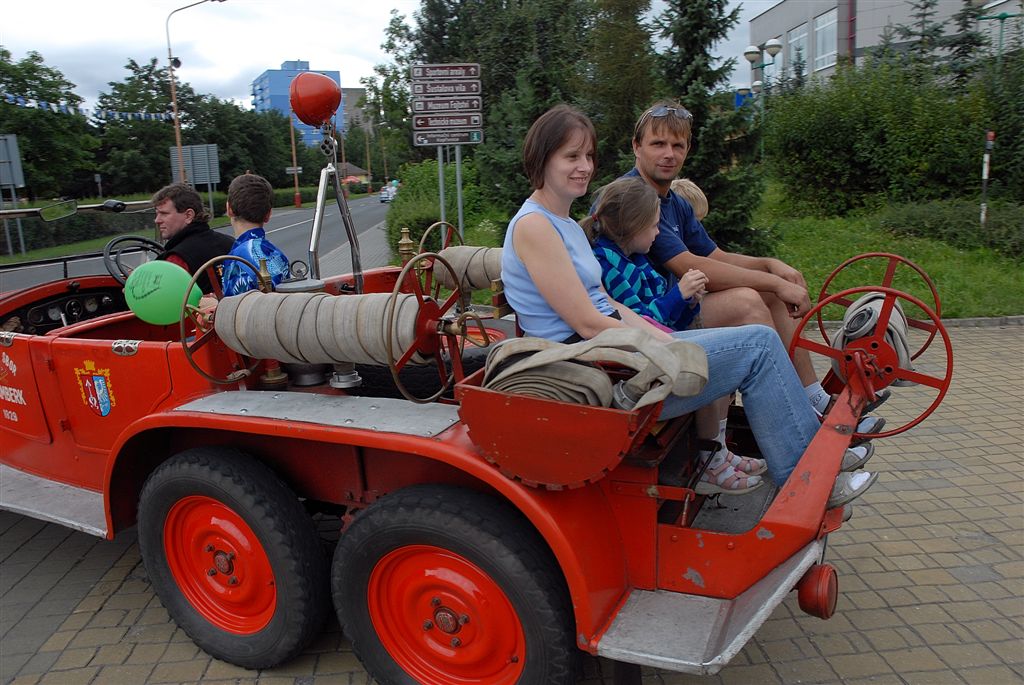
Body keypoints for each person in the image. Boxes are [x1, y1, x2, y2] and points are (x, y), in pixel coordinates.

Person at [501, 104, 876, 508]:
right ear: (543, 158)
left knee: (756, 339)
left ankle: (805, 459)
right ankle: (811, 483)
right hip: (597, 370)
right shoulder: (534, 226)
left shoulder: (565, 224)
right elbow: (587, 323)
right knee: (759, 346)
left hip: (616, 353)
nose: (585, 167)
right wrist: (665, 347)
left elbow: (606, 302)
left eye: (589, 155)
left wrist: (666, 337)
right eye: (571, 156)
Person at [621, 101, 889, 421]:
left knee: (770, 293)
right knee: (747, 302)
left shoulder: (674, 202)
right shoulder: (635, 198)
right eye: (658, 144)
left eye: (677, 145)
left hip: (674, 307)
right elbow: (691, 265)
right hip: (648, 319)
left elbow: (715, 256)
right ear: (637, 146)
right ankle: (793, 417)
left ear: (688, 149)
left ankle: (813, 398)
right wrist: (772, 281)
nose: (669, 154)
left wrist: (771, 266)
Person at [151, 183, 234, 293]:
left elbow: (162, 297)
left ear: (188, 215)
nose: (157, 220)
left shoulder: (177, 260)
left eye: (164, 213)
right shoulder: (232, 244)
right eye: (157, 214)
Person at [221, 174, 290, 297]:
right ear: (268, 215)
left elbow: (235, 306)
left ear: (229, 209)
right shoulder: (278, 255)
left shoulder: (235, 260)